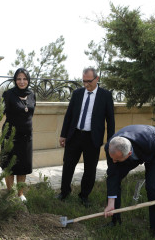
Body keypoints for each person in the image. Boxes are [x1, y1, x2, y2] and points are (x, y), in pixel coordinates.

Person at [57, 67, 115, 206]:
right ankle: (64, 192)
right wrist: (63, 135)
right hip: (74, 135)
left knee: (90, 169)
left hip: (92, 138)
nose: (86, 84)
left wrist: (111, 140)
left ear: (97, 79)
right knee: (68, 165)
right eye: (84, 81)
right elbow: (69, 115)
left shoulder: (105, 95)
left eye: (89, 81)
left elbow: (110, 120)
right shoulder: (77, 93)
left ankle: (84, 196)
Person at [0, 68, 36, 202]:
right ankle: (10, 193)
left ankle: (20, 194)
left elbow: (30, 114)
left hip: (26, 137)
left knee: (23, 167)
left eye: (25, 79)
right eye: (19, 79)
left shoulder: (32, 94)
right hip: (10, 136)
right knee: (9, 166)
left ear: (28, 80)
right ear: (15, 80)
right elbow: (1, 111)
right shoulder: (9, 94)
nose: (22, 82)